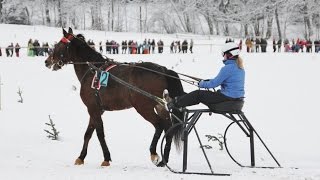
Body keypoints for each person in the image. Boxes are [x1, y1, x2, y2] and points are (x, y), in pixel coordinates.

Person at [165, 42, 245, 111]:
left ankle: (174, 103)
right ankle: (180, 101)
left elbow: (214, 83)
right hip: (235, 100)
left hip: (228, 99)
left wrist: (202, 84)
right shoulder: (240, 68)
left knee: (198, 94)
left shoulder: (227, 68)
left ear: (229, 54)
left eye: (223, 54)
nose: (223, 56)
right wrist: (207, 81)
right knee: (199, 95)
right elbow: (223, 81)